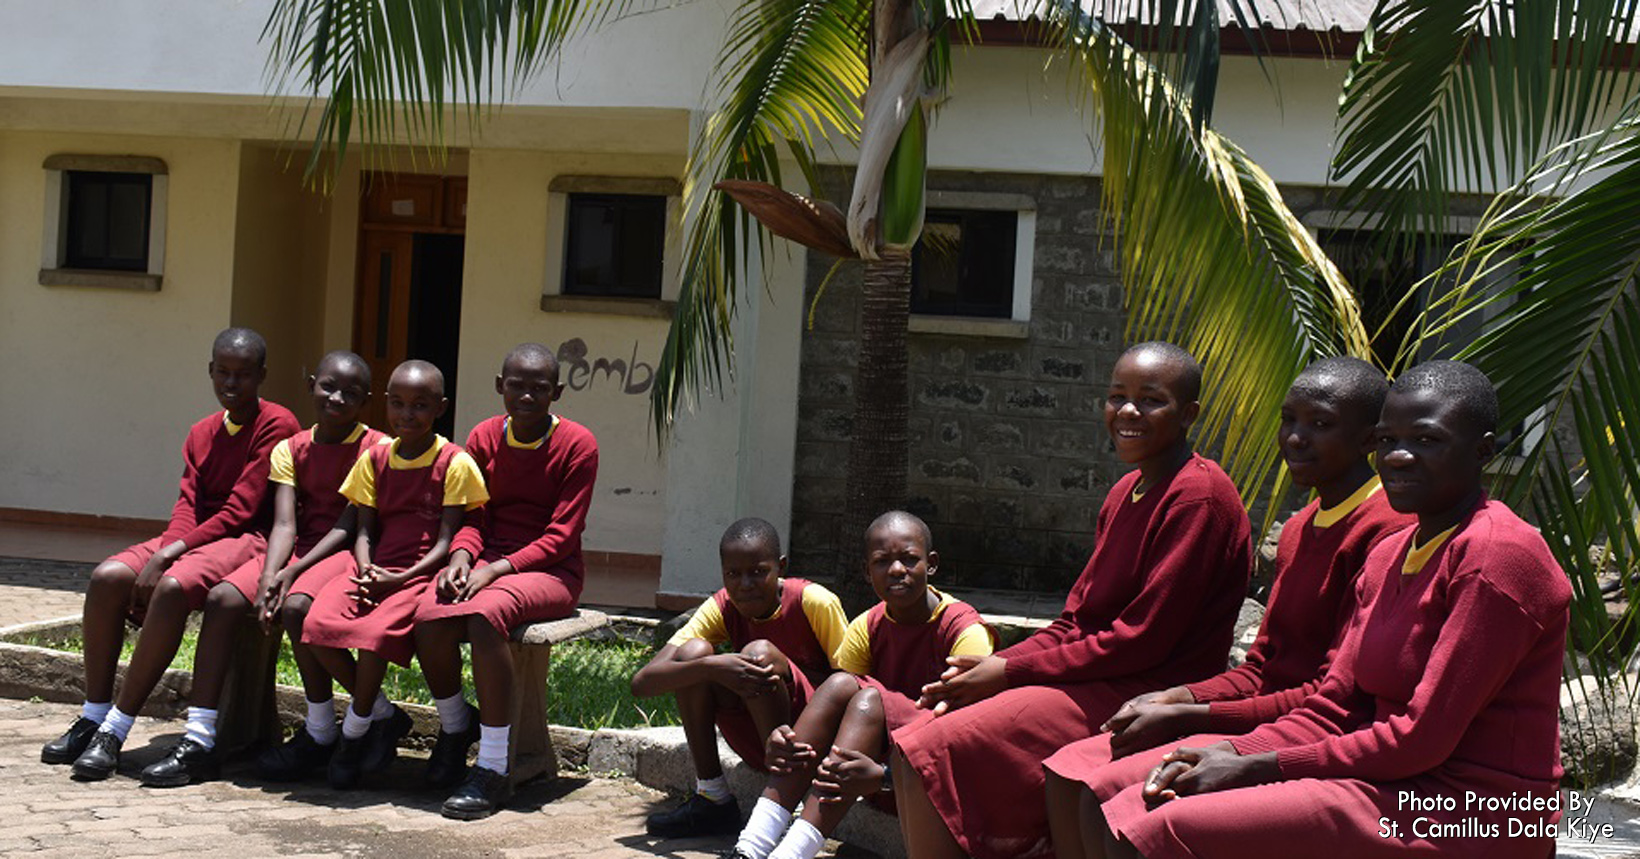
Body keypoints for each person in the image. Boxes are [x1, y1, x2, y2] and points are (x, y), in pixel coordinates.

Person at [1091, 360, 1570, 859]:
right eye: (1387, 441)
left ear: (1483, 450)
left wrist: (1259, 766)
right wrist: (1230, 750)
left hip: (1471, 815)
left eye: (1426, 440)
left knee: (1166, 827)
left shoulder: (1498, 556)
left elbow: (1421, 739)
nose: (1399, 457)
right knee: (1135, 804)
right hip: (1388, 780)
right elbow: (1335, 704)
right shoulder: (1390, 554)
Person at [891, 341, 1253, 859]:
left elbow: (1142, 640)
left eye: (1151, 400)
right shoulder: (1123, 491)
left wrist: (1010, 676)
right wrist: (996, 664)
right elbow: (1075, 622)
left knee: (934, 749)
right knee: (918, 734)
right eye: (1116, 396)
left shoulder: (1199, 495)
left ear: (1189, 413)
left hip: (1145, 688)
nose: (1128, 411)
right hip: (1097, 673)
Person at [1041, 356, 1413, 856]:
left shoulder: (1384, 530)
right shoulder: (1300, 527)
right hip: (1263, 714)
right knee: (1071, 774)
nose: (1296, 438)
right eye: (1289, 420)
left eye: (1320, 425)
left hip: (1317, 730)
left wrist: (1192, 714)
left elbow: (1331, 693)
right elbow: (1263, 666)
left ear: (1371, 439)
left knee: (1117, 799)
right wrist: (1178, 697)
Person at [44, 328, 299, 780]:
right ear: (210, 371)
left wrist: (171, 560)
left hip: (249, 539)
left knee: (173, 585)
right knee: (108, 577)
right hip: (196, 538)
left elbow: (241, 511)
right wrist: (166, 550)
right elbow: (186, 505)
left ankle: (116, 730)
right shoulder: (201, 432)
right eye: (223, 372)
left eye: (243, 375)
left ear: (262, 376)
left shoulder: (277, 424)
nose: (231, 384)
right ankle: (93, 713)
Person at [135, 351, 386, 786]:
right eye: (328, 386)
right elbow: (285, 523)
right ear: (310, 384)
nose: (337, 398)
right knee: (224, 597)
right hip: (296, 548)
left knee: (298, 609)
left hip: (345, 551)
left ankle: (331, 727)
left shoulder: (376, 447)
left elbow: (350, 526)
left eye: (351, 393)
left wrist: (290, 573)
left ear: (366, 401)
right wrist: (271, 573)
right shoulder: (291, 448)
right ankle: (200, 738)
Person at [728, 511, 992, 859]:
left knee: (869, 699)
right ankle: (750, 847)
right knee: (842, 685)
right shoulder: (866, 626)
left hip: (931, 775)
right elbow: (839, 710)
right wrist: (787, 738)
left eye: (909, 559)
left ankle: (790, 854)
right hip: (868, 769)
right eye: (882, 562)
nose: (897, 570)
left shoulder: (963, 631)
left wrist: (885, 774)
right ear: (868, 573)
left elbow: (968, 731)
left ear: (932, 565)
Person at [414, 343, 599, 819]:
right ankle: (457, 727)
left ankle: (493, 768)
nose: (527, 396)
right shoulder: (481, 438)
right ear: (500, 386)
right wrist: (460, 558)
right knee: (430, 616)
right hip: (486, 562)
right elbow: (475, 516)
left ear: (557, 392)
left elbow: (561, 536)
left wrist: (495, 571)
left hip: (550, 573)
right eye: (516, 385)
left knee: (482, 615)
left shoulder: (578, 445)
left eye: (540, 388)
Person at [300, 360, 488, 790]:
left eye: (420, 405)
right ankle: (383, 715)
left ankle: (353, 732)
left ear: (440, 407)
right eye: (399, 404)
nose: (408, 414)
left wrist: (396, 580)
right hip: (374, 566)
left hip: (420, 573)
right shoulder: (375, 457)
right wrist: (366, 567)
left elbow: (445, 542)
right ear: (385, 405)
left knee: (372, 635)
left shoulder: (454, 462)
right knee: (316, 626)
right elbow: (364, 527)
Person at [631, 518, 848, 839]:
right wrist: (711, 667)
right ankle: (712, 797)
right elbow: (642, 683)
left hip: (808, 745)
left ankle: (783, 800)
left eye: (758, 571)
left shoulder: (814, 601)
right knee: (694, 653)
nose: (745, 584)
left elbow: (853, 684)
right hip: (755, 740)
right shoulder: (723, 605)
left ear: (781, 567)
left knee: (759, 653)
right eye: (733, 574)